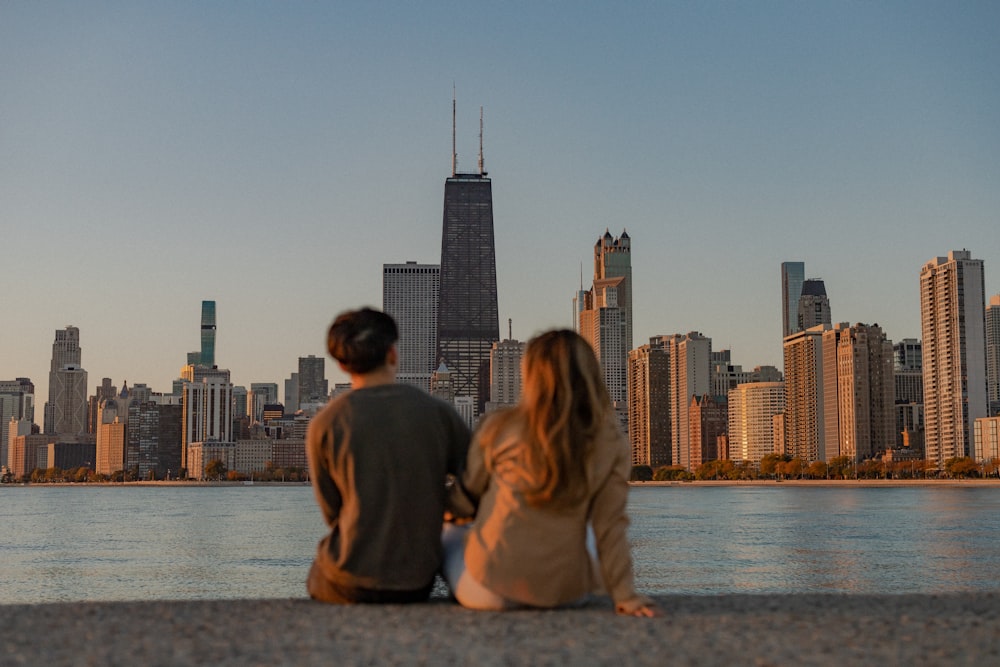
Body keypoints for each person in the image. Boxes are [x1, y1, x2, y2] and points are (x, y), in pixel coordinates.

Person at [443, 329, 659, 616]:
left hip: (488, 591)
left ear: (530, 374)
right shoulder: (610, 439)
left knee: (448, 530)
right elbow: (611, 526)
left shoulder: (499, 426)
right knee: (593, 528)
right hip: (565, 594)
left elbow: (465, 500)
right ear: (590, 374)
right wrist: (625, 596)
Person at [306, 307, 470, 604]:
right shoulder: (437, 412)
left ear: (343, 365)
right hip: (416, 582)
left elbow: (333, 514)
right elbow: (478, 478)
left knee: (317, 573)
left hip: (347, 580)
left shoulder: (325, 424)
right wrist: (444, 506)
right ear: (392, 354)